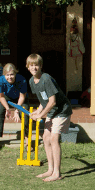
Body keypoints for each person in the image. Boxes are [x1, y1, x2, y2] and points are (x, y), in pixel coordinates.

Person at [26, 53, 73, 182]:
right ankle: (50, 170)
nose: (34, 68)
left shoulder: (46, 79)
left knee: (54, 138)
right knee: (46, 138)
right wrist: (37, 111)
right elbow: (44, 100)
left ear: (41, 66)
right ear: (27, 67)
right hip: (52, 111)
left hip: (61, 110)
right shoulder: (32, 81)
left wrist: (40, 115)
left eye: (36, 65)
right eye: (31, 65)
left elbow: (52, 101)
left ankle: (57, 173)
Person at [0, 62, 28, 152]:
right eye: (7, 75)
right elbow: (1, 97)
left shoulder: (22, 80)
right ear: (4, 75)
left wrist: (17, 110)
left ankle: (28, 143)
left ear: (15, 73)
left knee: (25, 115)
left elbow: (22, 97)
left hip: (19, 97)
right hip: (5, 97)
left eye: (12, 74)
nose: (10, 77)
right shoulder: (0, 81)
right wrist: (7, 108)